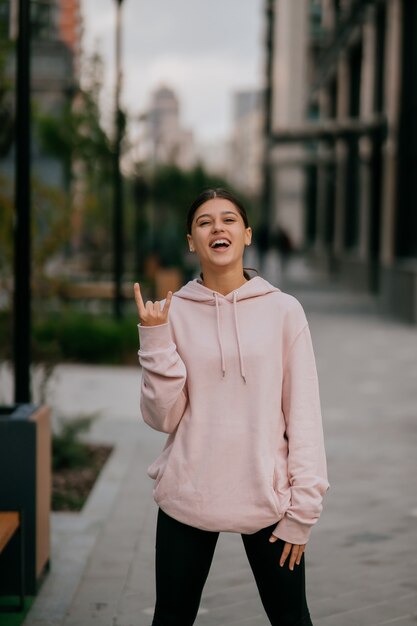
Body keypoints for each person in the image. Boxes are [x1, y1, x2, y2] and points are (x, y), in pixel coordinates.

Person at [134, 188, 329, 626]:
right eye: (204, 222)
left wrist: (303, 511)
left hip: (268, 497)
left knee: (293, 620)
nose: (217, 228)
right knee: (170, 619)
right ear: (191, 241)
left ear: (246, 235)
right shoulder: (174, 311)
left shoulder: (284, 310)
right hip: (189, 492)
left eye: (228, 220)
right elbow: (160, 417)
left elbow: (304, 415)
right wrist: (155, 338)